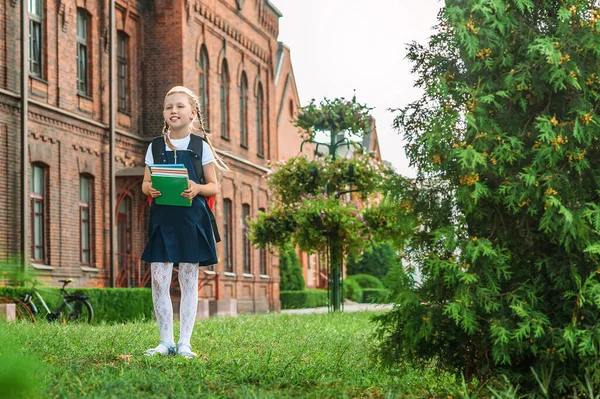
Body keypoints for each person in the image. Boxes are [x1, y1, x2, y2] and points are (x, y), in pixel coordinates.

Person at [141, 86, 228, 358]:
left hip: (192, 221)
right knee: (159, 280)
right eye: (169, 107)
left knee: (189, 280)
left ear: (192, 113)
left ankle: (185, 343)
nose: (173, 111)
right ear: (164, 114)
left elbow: (213, 186)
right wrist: (149, 189)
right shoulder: (154, 146)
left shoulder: (200, 146)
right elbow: (145, 183)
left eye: (179, 106)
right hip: (163, 220)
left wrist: (196, 188)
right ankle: (165, 342)